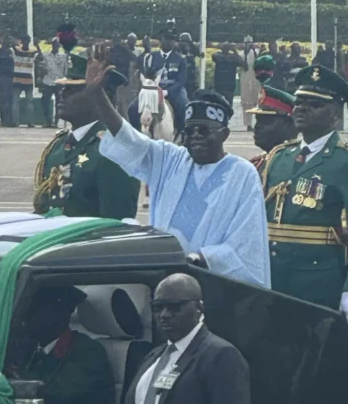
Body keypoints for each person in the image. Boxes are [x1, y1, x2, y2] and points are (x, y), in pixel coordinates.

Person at [87, 50, 270, 288]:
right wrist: (97, 94)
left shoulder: (242, 174)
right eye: (190, 131)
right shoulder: (169, 159)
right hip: (164, 278)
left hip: (215, 282)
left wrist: (202, 258)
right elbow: (127, 137)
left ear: (224, 134)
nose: (196, 137)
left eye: (204, 131)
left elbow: (247, 241)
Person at [261, 65, 348, 335]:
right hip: (272, 279)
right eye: (299, 102)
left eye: (314, 104)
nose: (302, 109)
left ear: (335, 114)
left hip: (318, 284)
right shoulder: (279, 157)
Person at [122, 274, 251, 404]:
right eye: (157, 307)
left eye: (175, 306)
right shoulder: (153, 358)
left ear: (199, 308)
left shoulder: (219, 355)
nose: (164, 314)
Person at [34, 54, 139, 219]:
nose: (62, 94)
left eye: (73, 90)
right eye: (63, 88)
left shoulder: (113, 153)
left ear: (103, 96)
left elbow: (116, 224)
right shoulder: (57, 147)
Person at [5, 286, 114, 404]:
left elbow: (58, 395)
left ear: (58, 315)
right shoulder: (32, 348)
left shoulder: (88, 351)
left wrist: (16, 375)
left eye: (33, 312)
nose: (25, 320)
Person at [246, 84, 298, 173]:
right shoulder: (260, 163)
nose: (257, 127)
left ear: (288, 125)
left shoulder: (294, 165)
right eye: (258, 121)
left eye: (265, 122)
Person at [159, 28, 189, 136]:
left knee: (184, 107)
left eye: (171, 40)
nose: (167, 42)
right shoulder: (152, 57)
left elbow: (181, 81)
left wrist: (168, 92)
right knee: (134, 108)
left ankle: (181, 133)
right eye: (165, 39)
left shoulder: (180, 59)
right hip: (155, 89)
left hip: (175, 90)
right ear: (161, 40)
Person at [39, 38, 68, 128]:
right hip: (48, 81)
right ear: (52, 45)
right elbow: (41, 66)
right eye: (54, 44)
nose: (56, 46)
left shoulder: (63, 56)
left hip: (59, 81)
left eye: (57, 44)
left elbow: (66, 69)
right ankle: (48, 121)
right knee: (44, 101)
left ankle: (56, 122)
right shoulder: (46, 55)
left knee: (59, 103)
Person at [12, 34, 36, 128]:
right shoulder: (33, 52)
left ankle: (15, 121)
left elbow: (11, 47)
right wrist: (37, 46)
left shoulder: (16, 51)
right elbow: (40, 57)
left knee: (16, 102)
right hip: (27, 79)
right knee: (28, 102)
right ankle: (29, 122)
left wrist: (14, 43)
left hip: (17, 78)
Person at [211, 42, 243, 111]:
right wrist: (234, 51)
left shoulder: (218, 56)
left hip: (221, 84)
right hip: (227, 84)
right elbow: (241, 61)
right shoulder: (233, 58)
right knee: (226, 104)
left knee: (219, 103)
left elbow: (213, 56)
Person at [240, 37, 260, 132]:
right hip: (245, 78)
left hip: (256, 78)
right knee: (247, 102)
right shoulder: (241, 54)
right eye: (247, 43)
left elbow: (258, 62)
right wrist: (246, 52)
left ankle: (258, 123)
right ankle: (248, 124)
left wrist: (254, 50)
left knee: (257, 101)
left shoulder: (257, 52)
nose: (249, 45)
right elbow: (244, 65)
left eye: (250, 43)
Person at [0, 35, 16, 127]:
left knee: (10, 100)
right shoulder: (0, 52)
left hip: (11, 77)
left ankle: (10, 119)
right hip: (3, 77)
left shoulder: (12, 52)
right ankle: (4, 119)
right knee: (4, 100)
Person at [179, 32, 203, 100]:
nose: (185, 43)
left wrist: (200, 54)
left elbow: (199, 54)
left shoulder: (193, 48)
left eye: (187, 41)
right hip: (181, 73)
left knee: (191, 89)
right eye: (183, 41)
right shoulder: (177, 49)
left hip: (191, 73)